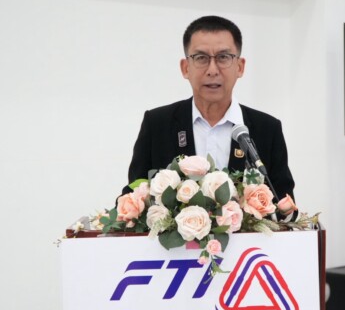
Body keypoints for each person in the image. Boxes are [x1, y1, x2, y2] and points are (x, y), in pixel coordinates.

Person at [125, 15, 295, 201]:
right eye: (201, 58)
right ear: (185, 68)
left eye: (223, 57)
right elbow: (133, 196)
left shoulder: (267, 129)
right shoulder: (157, 124)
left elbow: (285, 203)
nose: (212, 70)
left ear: (240, 67)